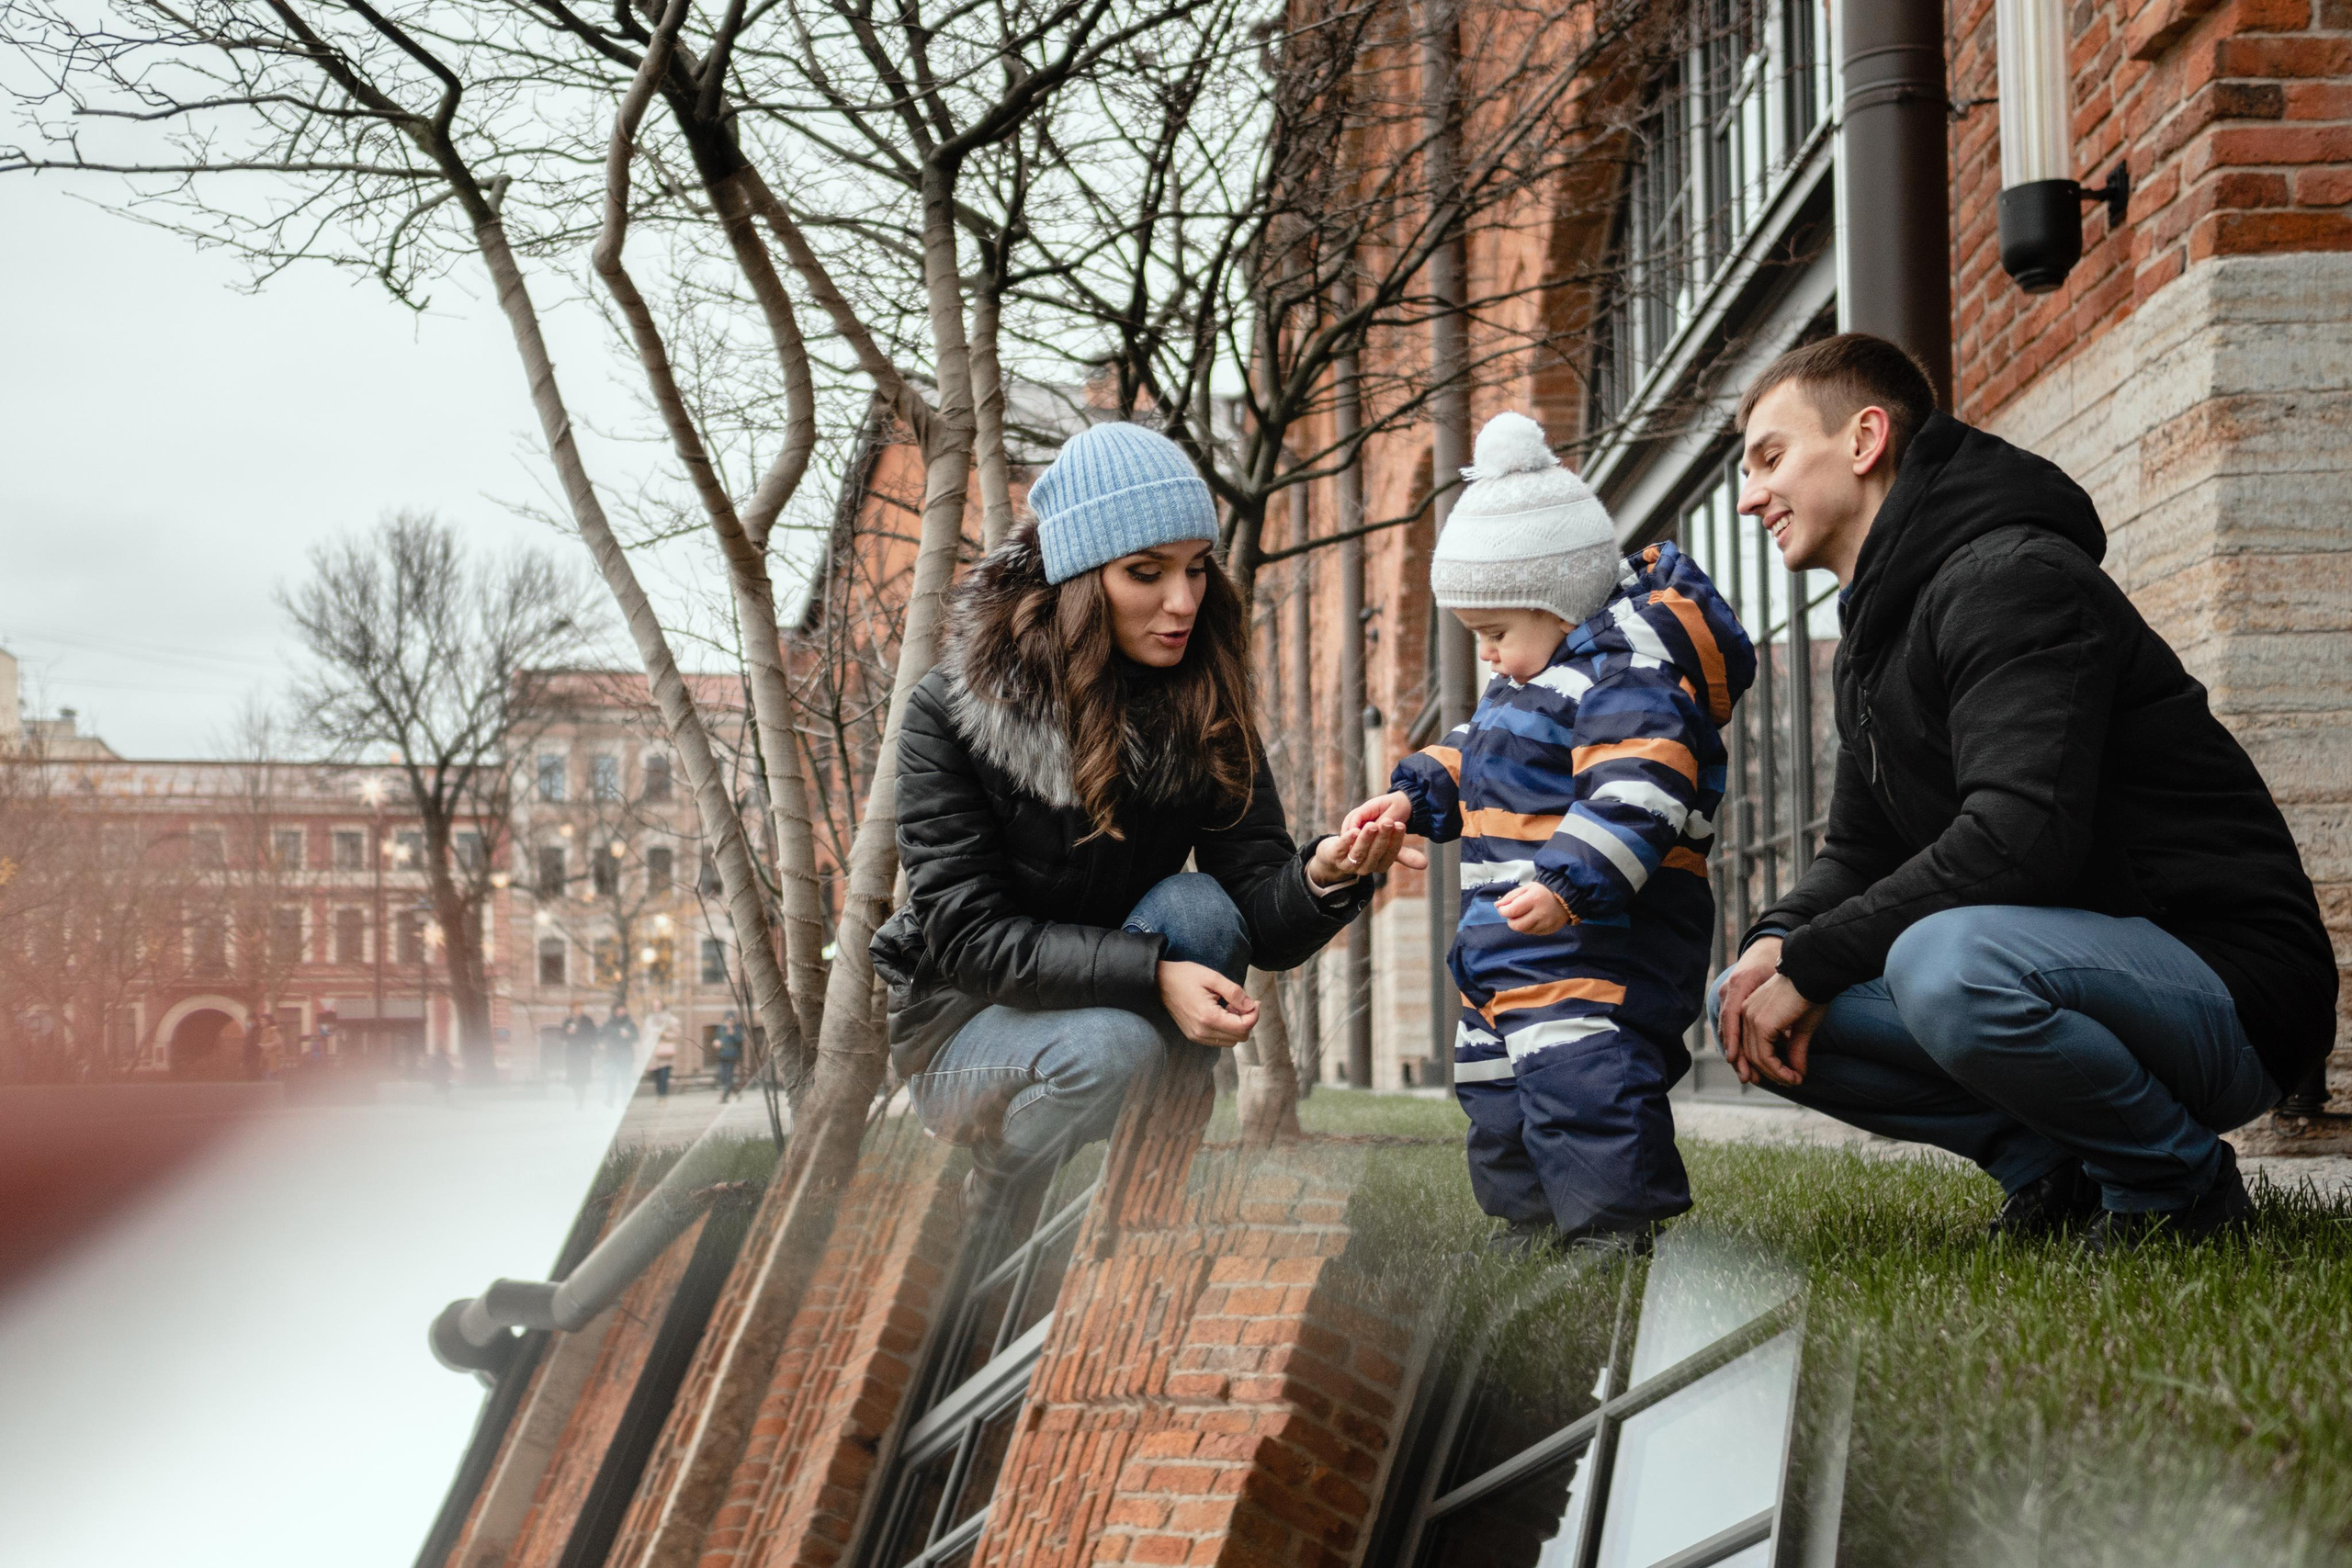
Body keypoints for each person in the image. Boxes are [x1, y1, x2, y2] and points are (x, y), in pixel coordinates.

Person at [1711, 333, 2336, 1250]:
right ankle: (2054, 1170)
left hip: (2225, 985)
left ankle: (2176, 1189)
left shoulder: (2010, 578)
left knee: (1942, 963)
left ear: (1863, 439)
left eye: (1770, 458)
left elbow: (2019, 835)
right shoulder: (1876, 638)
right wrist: (1775, 945)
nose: (1746, 495)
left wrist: (1814, 960)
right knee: (1745, 997)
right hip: (2065, 968)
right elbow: (1857, 850)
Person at [874, 420, 1412, 1209]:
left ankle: (1138, 1203)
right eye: (1145, 573)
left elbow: (1254, 915)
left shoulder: (1205, 695)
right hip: (967, 1020)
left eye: (1197, 569)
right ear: (1079, 579)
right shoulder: (952, 711)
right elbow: (968, 938)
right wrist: (1152, 974)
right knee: (1113, 1046)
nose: (1183, 600)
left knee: (1197, 905)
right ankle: (989, 1202)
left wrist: (1325, 874)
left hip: (1113, 991)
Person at [1348, 412, 1754, 1253]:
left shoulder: (1625, 680)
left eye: (1495, 633)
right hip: (1506, 940)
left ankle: (1613, 1227)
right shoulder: (1527, 684)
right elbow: (1478, 756)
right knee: (1497, 1090)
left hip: (1597, 941)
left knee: (1583, 1079)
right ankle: (1528, 1223)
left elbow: (1641, 787)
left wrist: (1570, 880)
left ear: (1560, 600)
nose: (1488, 656)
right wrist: (1414, 792)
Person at [561, 1002, 597, 1111]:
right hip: (572, 1053)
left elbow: (593, 1035)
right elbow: (562, 1036)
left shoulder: (587, 1021)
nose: (579, 1010)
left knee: (583, 1077)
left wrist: (586, 1040)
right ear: (572, 1009)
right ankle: (578, 1097)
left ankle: (580, 1101)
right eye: (576, 1008)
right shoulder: (568, 1021)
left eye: (580, 1008)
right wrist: (568, 1032)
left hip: (584, 1052)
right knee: (574, 1078)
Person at [602, 1003, 639, 1107]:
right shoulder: (609, 1023)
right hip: (612, 1055)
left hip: (625, 1055)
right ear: (615, 1010)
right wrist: (600, 1044)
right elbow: (600, 1034)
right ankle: (610, 1100)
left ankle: (626, 1100)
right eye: (620, 1009)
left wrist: (629, 1036)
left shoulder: (630, 1023)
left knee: (625, 1079)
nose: (622, 1011)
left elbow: (636, 1037)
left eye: (623, 1009)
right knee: (611, 1078)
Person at [645, 1005, 680, 1098]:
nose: (656, 1009)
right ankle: (659, 1093)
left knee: (664, 1073)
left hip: (665, 1049)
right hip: (654, 1051)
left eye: (658, 1007)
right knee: (656, 1074)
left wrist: (665, 1034)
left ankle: (663, 1094)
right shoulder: (650, 1020)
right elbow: (645, 1034)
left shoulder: (670, 1020)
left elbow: (677, 1033)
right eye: (655, 1007)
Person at [710, 1011, 743, 1101]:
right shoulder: (721, 1029)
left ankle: (724, 1097)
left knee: (729, 1076)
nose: (730, 1022)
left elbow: (740, 1040)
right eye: (728, 1020)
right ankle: (737, 1092)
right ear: (725, 1020)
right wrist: (715, 1043)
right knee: (723, 1076)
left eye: (731, 1021)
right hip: (722, 1055)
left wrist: (733, 1034)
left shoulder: (737, 1029)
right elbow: (715, 1039)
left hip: (732, 1056)